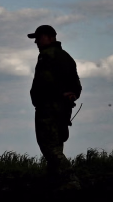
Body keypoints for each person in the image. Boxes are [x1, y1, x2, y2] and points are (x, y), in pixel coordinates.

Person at [28, 24, 82, 190]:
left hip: (48, 108)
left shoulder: (47, 56)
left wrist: (58, 95)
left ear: (50, 37)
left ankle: (70, 179)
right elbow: (76, 86)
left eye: (39, 37)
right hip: (63, 109)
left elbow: (45, 83)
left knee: (49, 146)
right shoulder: (66, 57)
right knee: (56, 144)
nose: (36, 41)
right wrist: (69, 94)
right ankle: (54, 180)